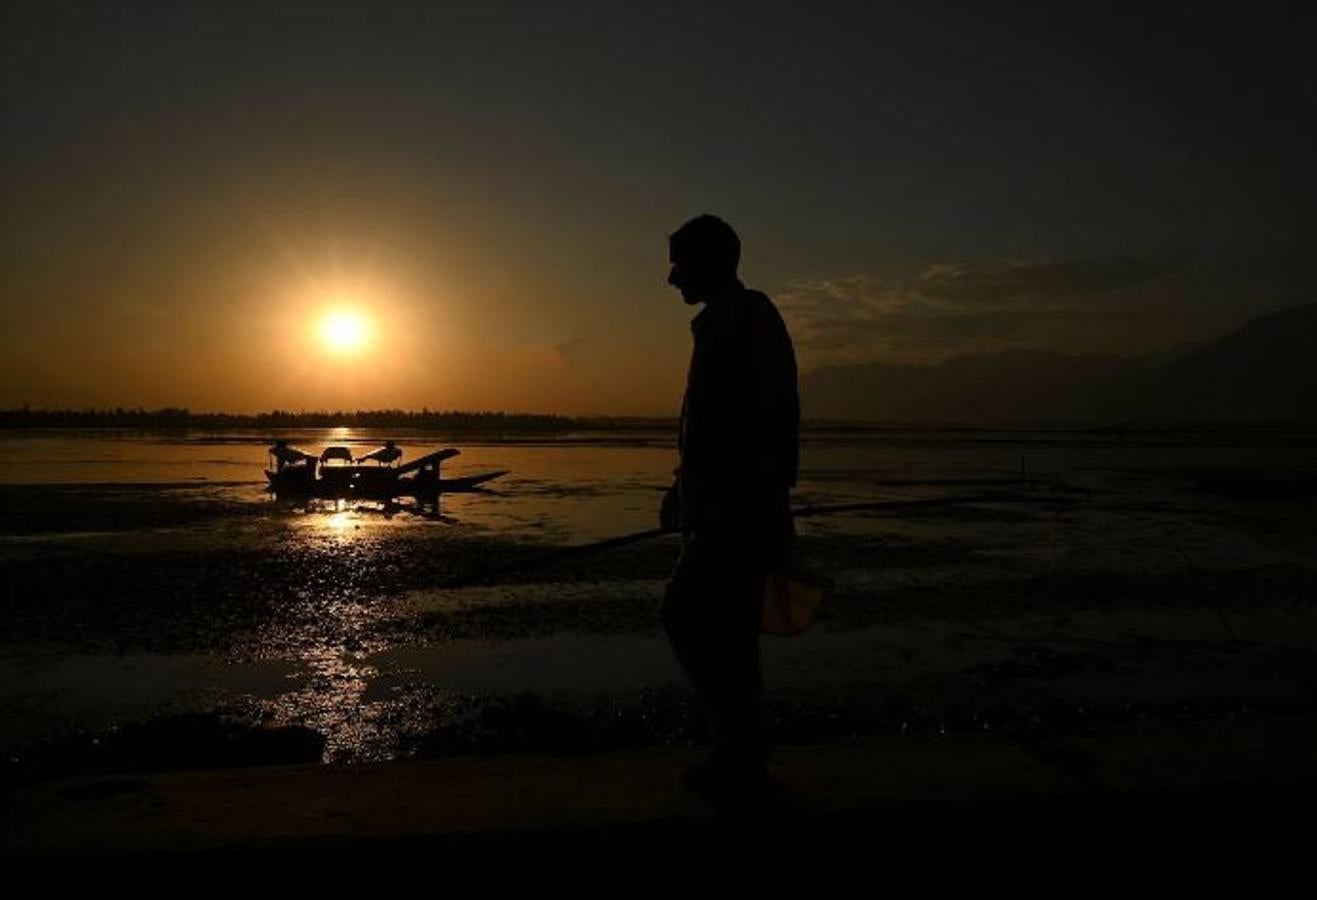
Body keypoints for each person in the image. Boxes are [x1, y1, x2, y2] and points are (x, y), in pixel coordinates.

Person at [659, 214, 800, 803]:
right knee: (730, 635)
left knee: (687, 616)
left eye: (679, 263)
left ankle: (741, 751)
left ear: (711, 263)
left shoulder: (749, 319)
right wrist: (681, 489)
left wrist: (742, 502)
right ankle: (743, 756)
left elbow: (774, 419)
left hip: (739, 516)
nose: (671, 277)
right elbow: (708, 428)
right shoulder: (720, 323)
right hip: (721, 512)